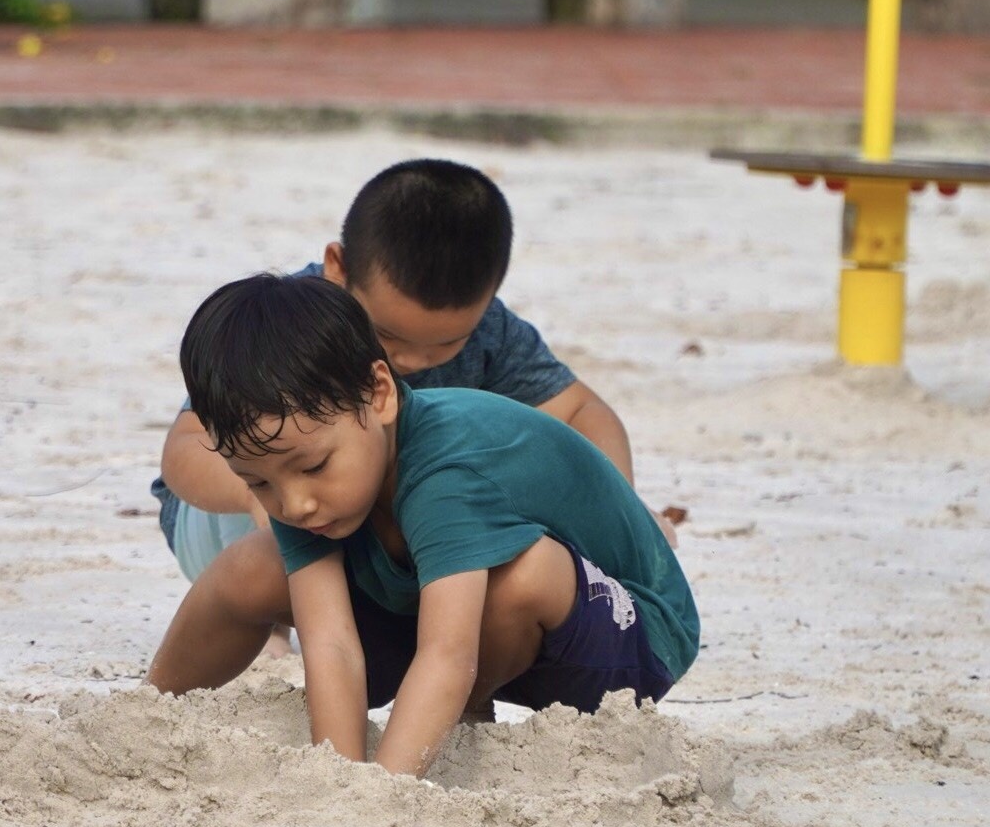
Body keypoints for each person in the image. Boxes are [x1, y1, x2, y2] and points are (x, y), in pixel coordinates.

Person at [149, 157, 661, 687]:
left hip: (366, 531)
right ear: (338, 269)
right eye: (389, 337)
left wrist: (621, 506)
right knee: (284, 477)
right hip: (225, 517)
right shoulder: (293, 329)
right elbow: (186, 448)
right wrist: (259, 498)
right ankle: (272, 622)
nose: (412, 361)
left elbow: (584, 411)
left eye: (445, 344)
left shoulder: (493, 334)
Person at [165, 273, 697, 776]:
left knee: (521, 575)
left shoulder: (449, 467)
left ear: (380, 393)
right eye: (258, 483)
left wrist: (382, 797)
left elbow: (447, 653)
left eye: (314, 467)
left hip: (626, 646)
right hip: (450, 622)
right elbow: (331, 645)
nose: (295, 503)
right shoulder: (295, 474)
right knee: (251, 565)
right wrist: (338, 782)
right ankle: (146, 716)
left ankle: (468, 713)